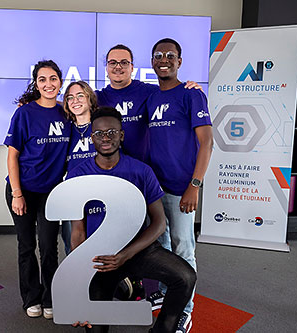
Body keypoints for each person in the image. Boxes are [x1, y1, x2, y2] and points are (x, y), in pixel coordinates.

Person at [68, 107, 196, 333]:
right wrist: (80, 280)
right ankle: (122, 288)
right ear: (91, 138)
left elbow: (159, 223)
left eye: (111, 132)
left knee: (185, 277)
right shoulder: (78, 174)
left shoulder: (141, 171)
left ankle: (162, 329)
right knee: (94, 327)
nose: (105, 138)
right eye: (99, 134)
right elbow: (78, 231)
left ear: (122, 135)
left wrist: (126, 255)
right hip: (100, 257)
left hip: (137, 250)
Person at [146, 38, 213, 333]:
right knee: (162, 245)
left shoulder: (191, 95)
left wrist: (194, 186)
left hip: (182, 189)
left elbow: (207, 142)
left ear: (179, 61)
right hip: (156, 188)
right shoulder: (150, 97)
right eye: (159, 55)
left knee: (183, 248)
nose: (164, 59)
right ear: (152, 61)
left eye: (170, 55)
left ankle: (185, 310)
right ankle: (166, 289)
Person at [4, 60, 70, 320]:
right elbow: (12, 156)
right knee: (26, 245)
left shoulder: (67, 112)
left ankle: (49, 297)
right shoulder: (25, 113)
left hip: (51, 193)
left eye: (53, 78)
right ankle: (31, 298)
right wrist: (17, 194)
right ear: (36, 84)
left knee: (48, 246)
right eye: (42, 79)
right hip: (23, 190)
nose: (48, 84)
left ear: (60, 82)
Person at [96, 44, 201, 163]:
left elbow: (174, 91)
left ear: (132, 67)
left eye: (124, 62)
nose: (118, 67)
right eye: (113, 62)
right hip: (110, 169)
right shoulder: (97, 98)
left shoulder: (151, 92)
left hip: (145, 169)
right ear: (106, 67)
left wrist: (190, 88)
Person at [60, 81, 98, 254]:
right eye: (70, 98)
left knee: (99, 244)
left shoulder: (102, 126)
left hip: (100, 194)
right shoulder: (64, 129)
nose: (75, 100)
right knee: (73, 246)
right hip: (73, 194)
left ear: (90, 99)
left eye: (80, 95)